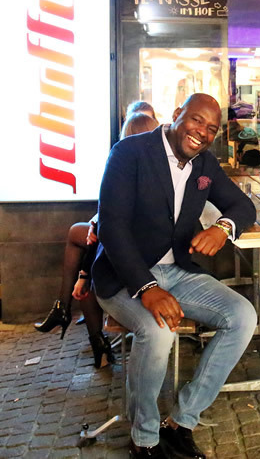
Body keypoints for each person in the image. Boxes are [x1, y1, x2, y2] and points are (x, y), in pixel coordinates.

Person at [92, 93, 257, 459]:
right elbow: (111, 227)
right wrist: (147, 287)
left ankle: (181, 422)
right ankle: (144, 438)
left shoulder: (204, 163)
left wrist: (223, 228)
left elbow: (243, 206)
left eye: (211, 128)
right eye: (196, 120)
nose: (202, 132)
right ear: (177, 113)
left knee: (243, 316)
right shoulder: (130, 152)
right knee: (157, 331)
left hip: (180, 271)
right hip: (125, 275)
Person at [34, 111, 160, 369]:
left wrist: (83, 273)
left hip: (131, 249)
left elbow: (114, 219)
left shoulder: (126, 165)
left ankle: (72, 317)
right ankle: (68, 308)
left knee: (80, 241)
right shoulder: (160, 166)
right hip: (138, 245)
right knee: (89, 254)